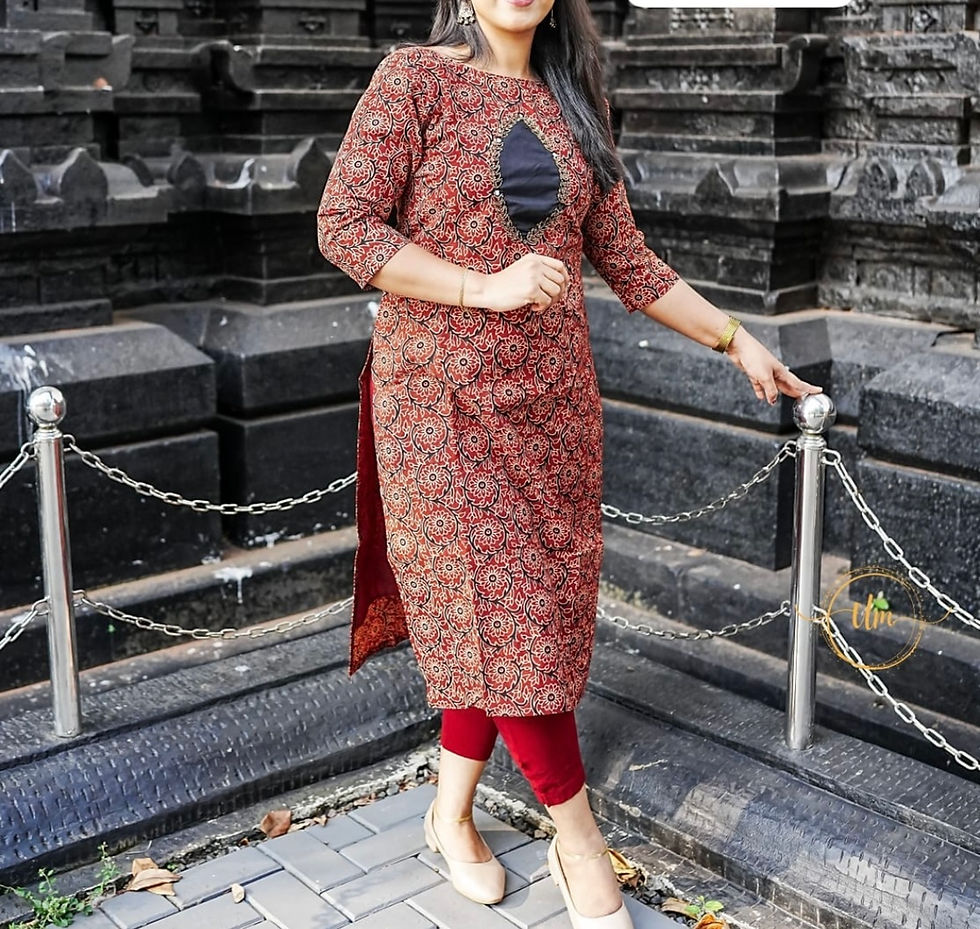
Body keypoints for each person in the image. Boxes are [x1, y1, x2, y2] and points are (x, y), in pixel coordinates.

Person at [316, 0, 824, 924]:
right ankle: (579, 841)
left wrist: (736, 339)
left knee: (519, 621)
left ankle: (449, 812)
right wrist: (482, 286)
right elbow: (344, 226)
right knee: (504, 615)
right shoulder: (414, 80)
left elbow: (627, 259)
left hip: (552, 413)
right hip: (441, 409)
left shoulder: (574, 99)